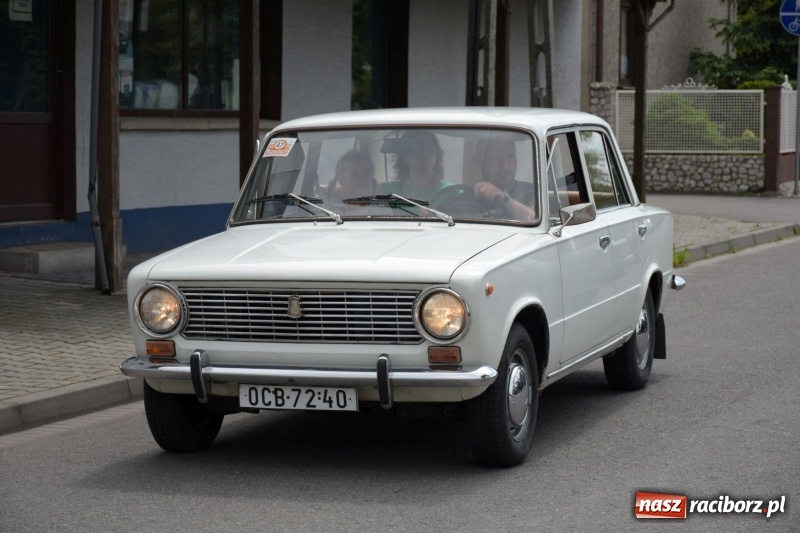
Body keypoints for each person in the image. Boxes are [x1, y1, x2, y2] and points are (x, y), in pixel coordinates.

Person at [472, 138, 536, 221]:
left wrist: (503, 197)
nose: (505, 165)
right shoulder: (466, 199)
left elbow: (533, 218)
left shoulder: (532, 192)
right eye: (496, 158)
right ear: (479, 162)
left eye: (510, 157)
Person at [378, 130, 452, 200]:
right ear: (405, 156)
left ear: (437, 154)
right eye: (418, 148)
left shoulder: (451, 192)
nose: (426, 153)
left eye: (430, 147)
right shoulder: (386, 191)